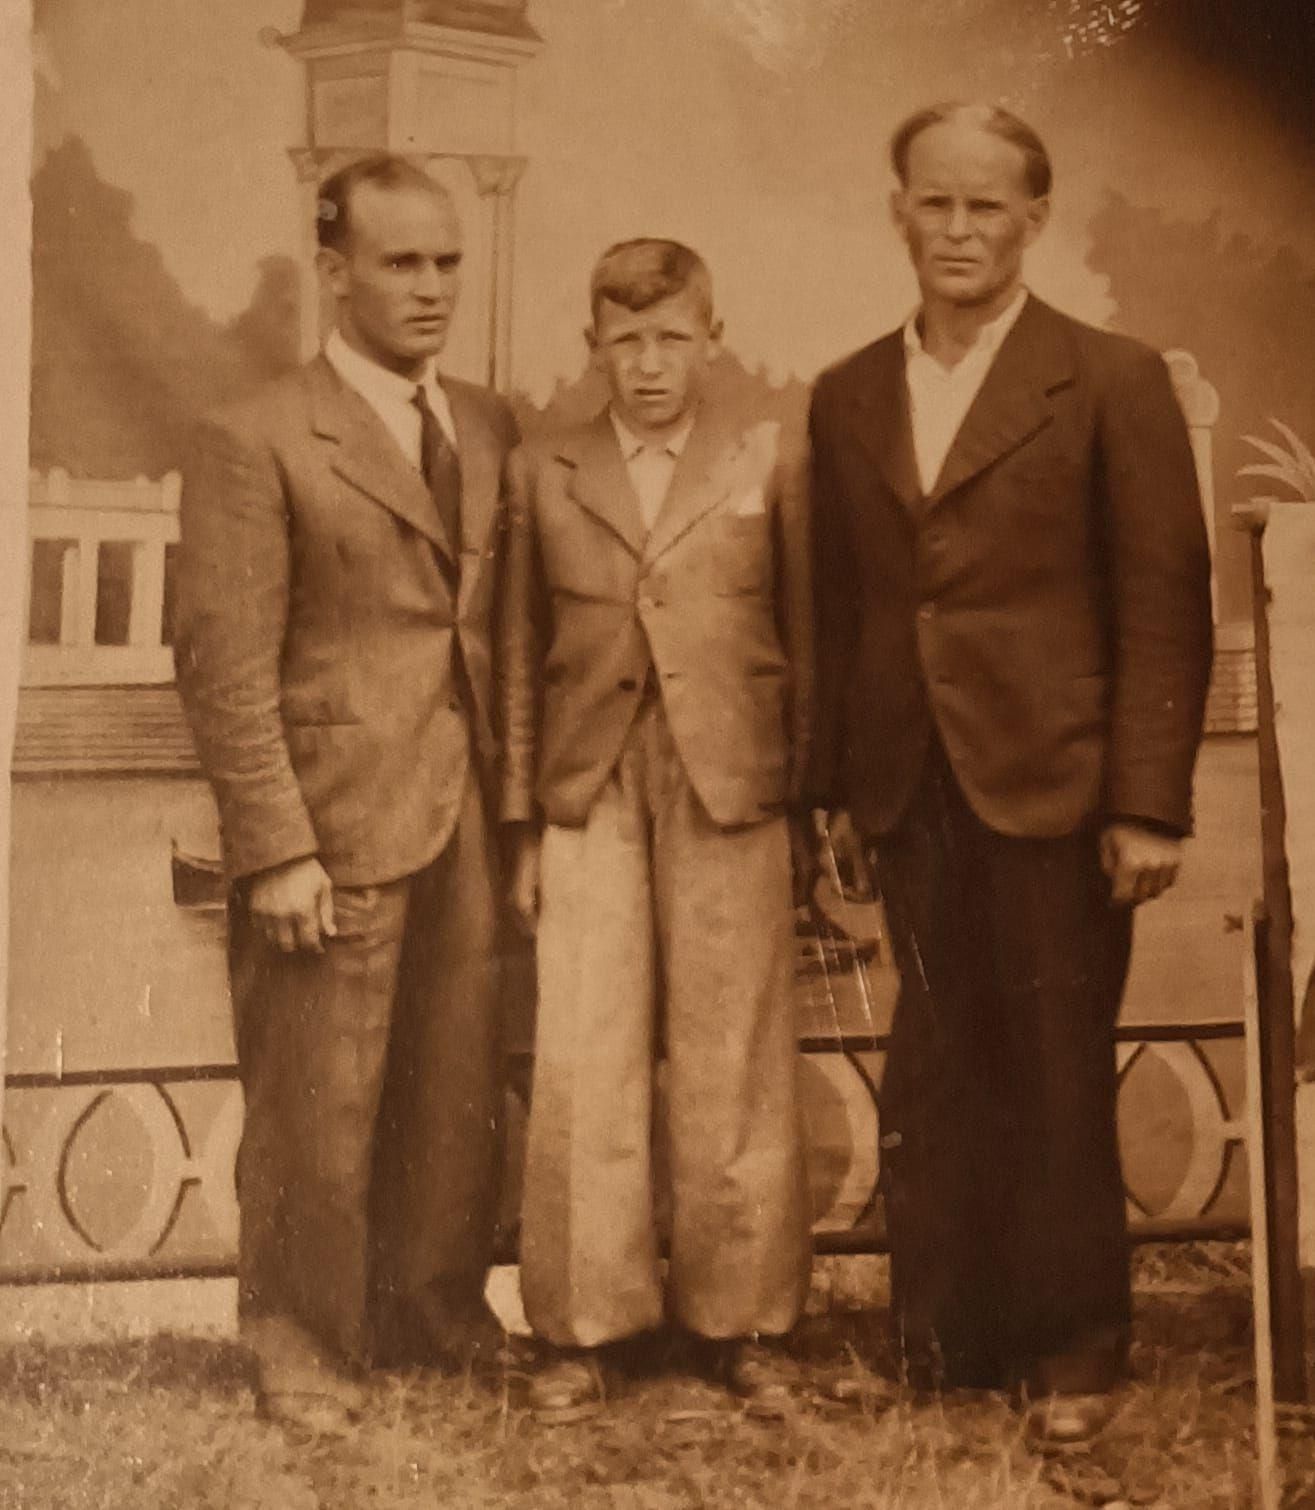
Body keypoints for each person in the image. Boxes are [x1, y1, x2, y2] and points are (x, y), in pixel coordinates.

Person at [806, 103, 1214, 1442]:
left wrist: (1146, 801)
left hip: (1055, 778)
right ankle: (941, 1341)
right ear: (896, 212)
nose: (958, 230)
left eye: (986, 207)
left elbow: (1162, 597)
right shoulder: (849, 391)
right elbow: (842, 602)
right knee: (929, 1062)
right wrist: (831, 791)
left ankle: (1075, 1349)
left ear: (1031, 221)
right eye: (934, 202)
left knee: (1047, 1059)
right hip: (905, 781)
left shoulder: (1107, 377)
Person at [174, 154, 519, 1436]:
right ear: (332, 270)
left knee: (450, 1085)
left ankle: (433, 1315)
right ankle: (302, 1341)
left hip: (463, 814)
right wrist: (272, 848)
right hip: (327, 820)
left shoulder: (486, 423)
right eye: (399, 262)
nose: (431, 288)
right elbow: (222, 661)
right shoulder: (252, 434)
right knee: (316, 1101)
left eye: (447, 262)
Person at [500, 238, 814, 1423]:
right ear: (592, 344)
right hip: (588, 785)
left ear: (712, 336)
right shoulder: (545, 469)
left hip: (731, 785)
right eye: (623, 340)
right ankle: (584, 1330)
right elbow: (519, 659)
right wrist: (524, 826)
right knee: (584, 1053)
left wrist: (811, 800)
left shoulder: (764, 459)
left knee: (732, 1054)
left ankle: (745, 1324)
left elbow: (805, 632)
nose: (647, 364)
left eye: (671, 337)